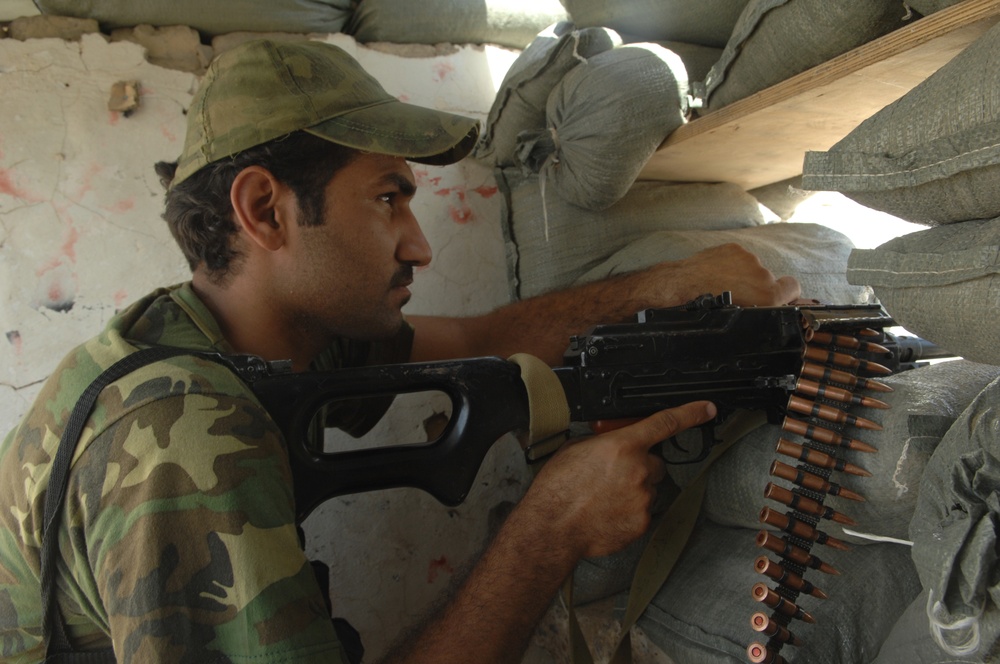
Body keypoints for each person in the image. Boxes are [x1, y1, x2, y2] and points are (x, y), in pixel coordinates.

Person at [0, 39, 800, 664]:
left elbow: (480, 341)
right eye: (388, 199)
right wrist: (549, 528)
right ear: (264, 211)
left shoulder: (252, 342)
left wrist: (671, 285)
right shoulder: (178, 436)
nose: (419, 246)